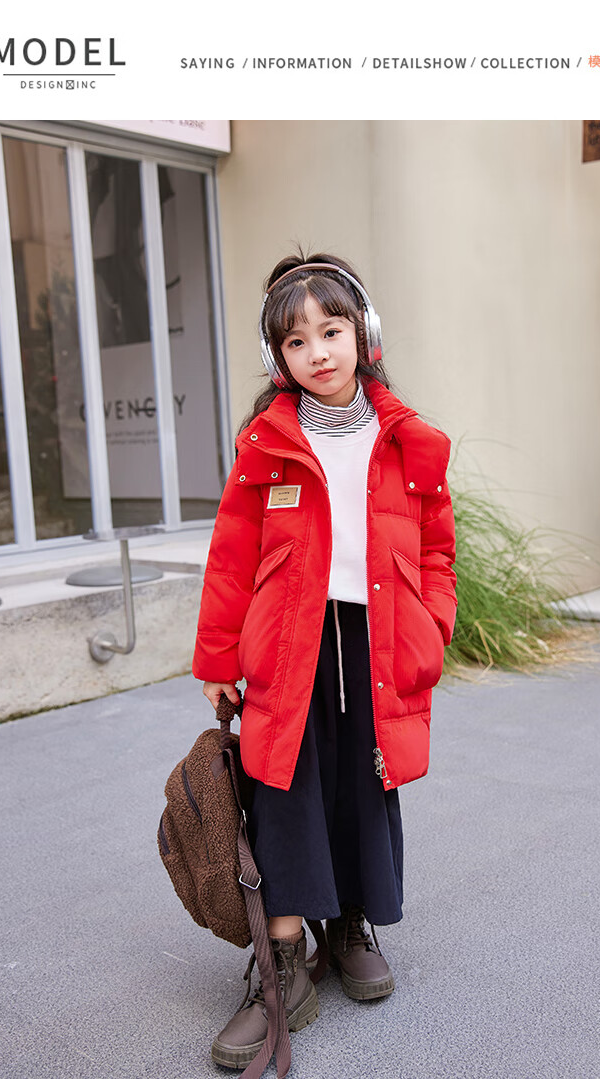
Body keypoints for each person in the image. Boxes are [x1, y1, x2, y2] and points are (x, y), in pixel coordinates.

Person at [192, 252, 457, 1070]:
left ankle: (348, 925)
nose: (318, 351)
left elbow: (439, 549)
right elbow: (231, 556)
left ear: (363, 334)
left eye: (331, 330)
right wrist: (217, 655)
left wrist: (433, 624)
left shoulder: (408, 441)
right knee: (284, 791)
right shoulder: (268, 444)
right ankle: (281, 960)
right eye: (296, 340)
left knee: (361, 785)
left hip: (376, 642)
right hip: (287, 646)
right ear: (278, 357)